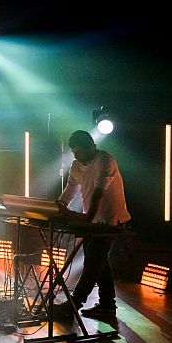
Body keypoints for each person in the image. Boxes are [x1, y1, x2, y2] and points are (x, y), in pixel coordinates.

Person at [55, 130, 131, 319]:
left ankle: (74, 304)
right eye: (74, 153)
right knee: (99, 263)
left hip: (110, 220)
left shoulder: (105, 160)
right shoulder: (76, 166)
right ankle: (107, 305)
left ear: (92, 146)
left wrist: (84, 219)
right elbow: (70, 189)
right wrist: (59, 206)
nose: (77, 156)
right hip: (94, 222)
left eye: (79, 152)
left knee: (92, 264)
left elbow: (98, 193)